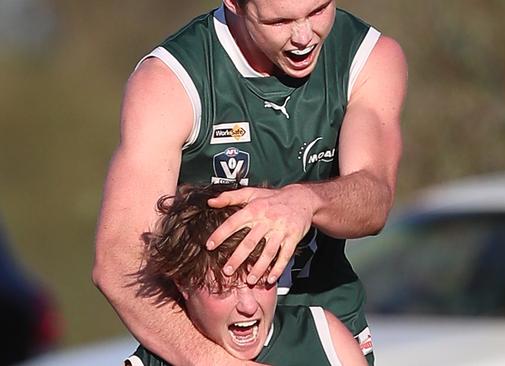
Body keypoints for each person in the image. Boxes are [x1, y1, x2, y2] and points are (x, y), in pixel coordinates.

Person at [92, 0, 407, 364]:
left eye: (319, 10)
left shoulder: (369, 56)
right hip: (207, 343)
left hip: (326, 328)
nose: (304, 36)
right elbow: (118, 262)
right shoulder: (171, 81)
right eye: (280, 20)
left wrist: (305, 203)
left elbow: (374, 200)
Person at [125, 183, 366, 365]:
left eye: (260, 280)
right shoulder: (152, 360)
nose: (248, 306)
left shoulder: (322, 335)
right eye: (223, 289)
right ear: (183, 284)